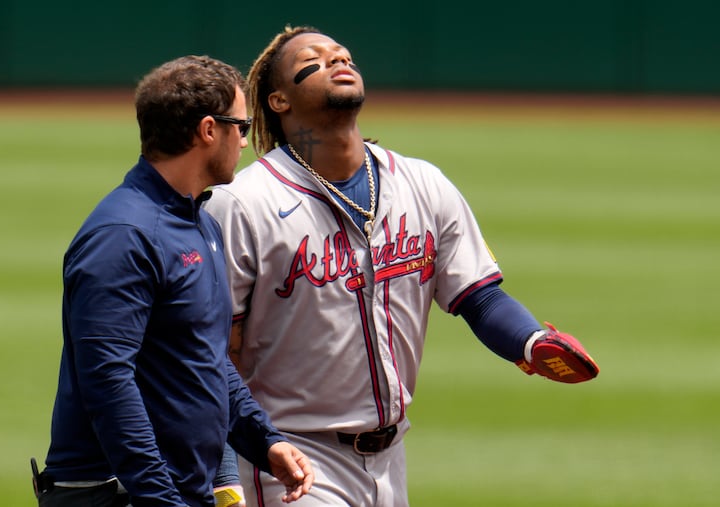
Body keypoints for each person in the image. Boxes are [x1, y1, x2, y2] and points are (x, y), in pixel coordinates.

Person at [204, 26, 599, 506]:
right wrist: (227, 460)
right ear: (279, 101)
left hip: (391, 463)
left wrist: (531, 342)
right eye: (315, 59)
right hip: (293, 459)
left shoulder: (422, 183)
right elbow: (211, 350)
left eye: (342, 54)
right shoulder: (243, 205)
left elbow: (479, 296)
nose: (337, 59)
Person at [32, 55, 313, 507]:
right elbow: (109, 383)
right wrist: (162, 499)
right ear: (208, 130)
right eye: (240, 128)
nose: (245, 143)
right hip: (120, 494)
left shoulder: (200, 222)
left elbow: (205, 355)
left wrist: (263, 441)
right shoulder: (123, 235)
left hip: (166, 492)